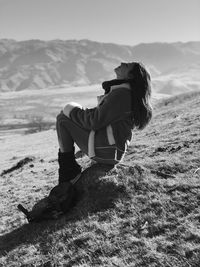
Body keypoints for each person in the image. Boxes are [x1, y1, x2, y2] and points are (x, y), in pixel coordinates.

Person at [56, 62, 152, 184]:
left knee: (62, 119)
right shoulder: (123, 93)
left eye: (127, 65)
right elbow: (100, 116)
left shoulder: (122, 94)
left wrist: (71, 109)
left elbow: (94, 121)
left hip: (106, 150)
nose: (122, 63)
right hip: (111, 149)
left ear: (130, 76)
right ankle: (68, 167)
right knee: (65, 117)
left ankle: (68, 170)